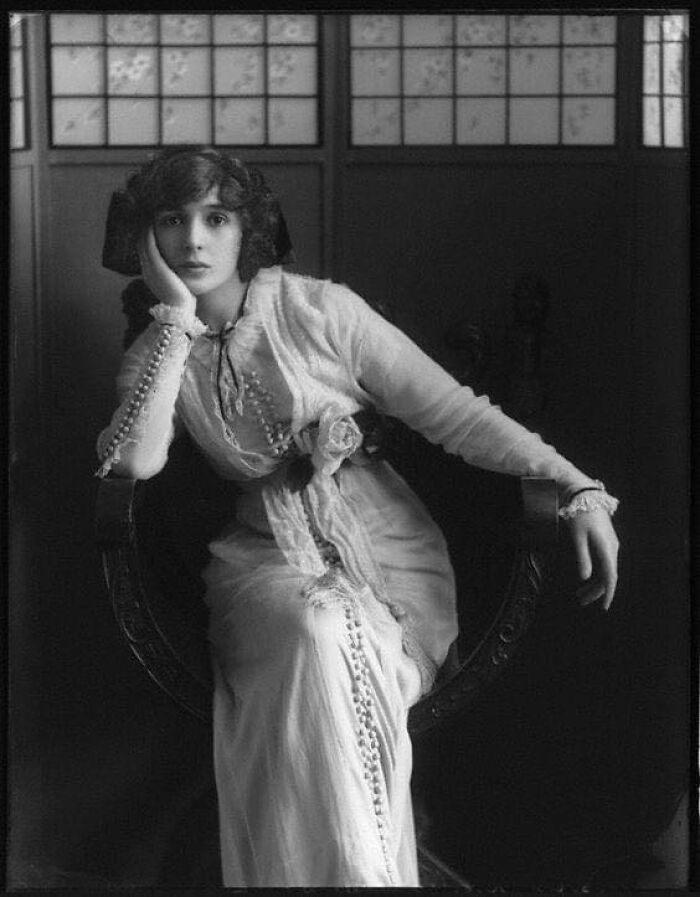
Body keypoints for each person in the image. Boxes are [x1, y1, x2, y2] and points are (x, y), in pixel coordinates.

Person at [96, 145, 620, 888]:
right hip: (260, 563)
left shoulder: (318, 310)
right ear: (147, 239)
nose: (194, 240)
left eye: (216, 217)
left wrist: (577, 485)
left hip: (386, 557)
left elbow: (455, 414)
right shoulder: (158, 352)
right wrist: (177, 321)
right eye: (172, 220)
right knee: (312, 628)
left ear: (248, 229)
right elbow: (135, 461)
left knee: (336, 638)